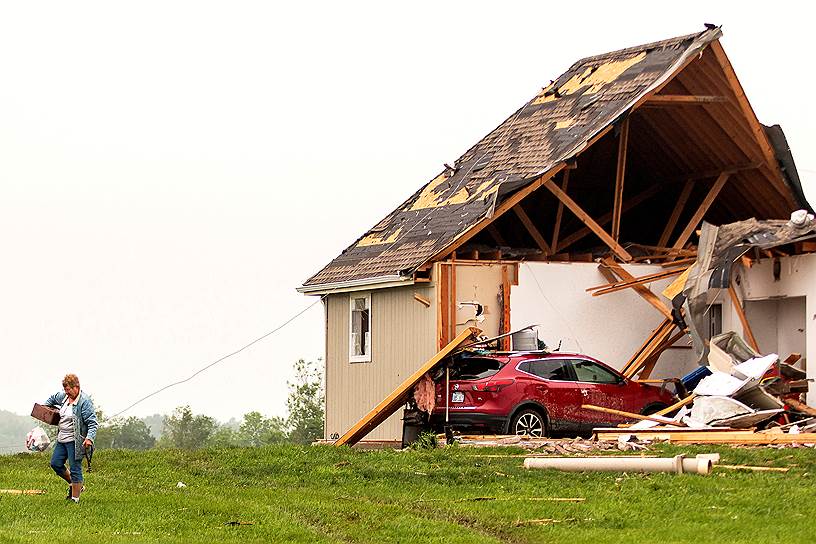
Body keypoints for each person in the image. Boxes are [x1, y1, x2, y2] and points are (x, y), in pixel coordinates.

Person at [44, 374, 98, 503]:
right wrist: (47, 409)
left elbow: (92, 423)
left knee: (75, 468)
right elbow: (51, 399)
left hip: (75, 441)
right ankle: (75, 485)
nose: (66, 392)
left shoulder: (84, 402)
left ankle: (75, 499)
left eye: (68, 389)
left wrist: (89, 438)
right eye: (65, 390)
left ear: (77, 387)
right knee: (55, 463)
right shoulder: (64, 397)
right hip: (62, 439)